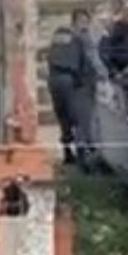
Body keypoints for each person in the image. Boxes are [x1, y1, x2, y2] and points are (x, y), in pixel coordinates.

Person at [45, 9, 99, 165]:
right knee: (80, 118)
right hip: (71, 81)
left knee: (63, 118)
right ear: (78, 21)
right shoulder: (81, 37)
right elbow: (89, 62)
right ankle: (84, 153)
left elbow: (52, 56)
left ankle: (68, 152)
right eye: (84, 22)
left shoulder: (59, 34)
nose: (86, 26)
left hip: (54, 80)